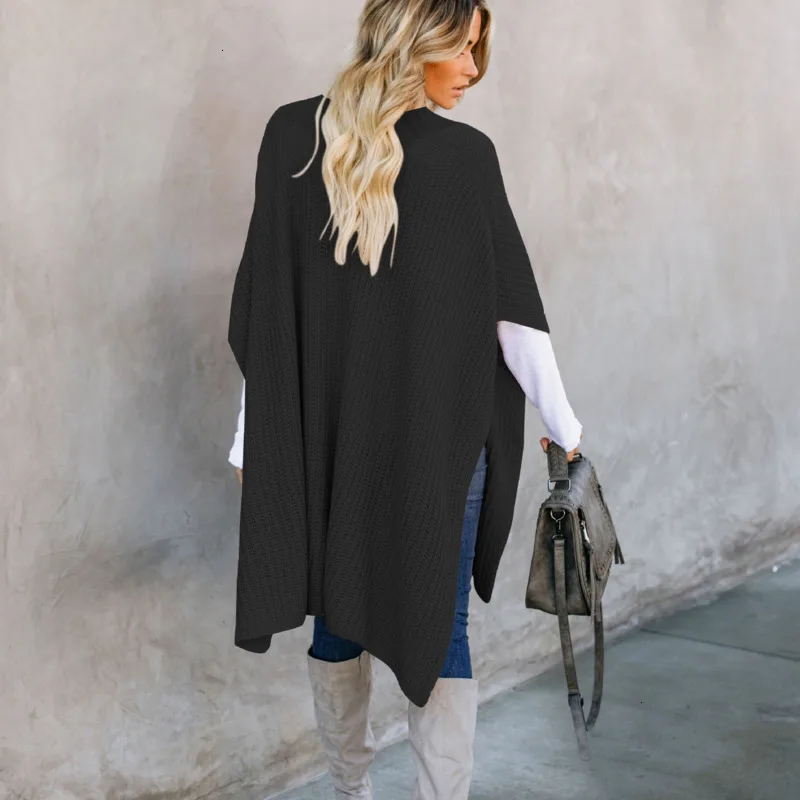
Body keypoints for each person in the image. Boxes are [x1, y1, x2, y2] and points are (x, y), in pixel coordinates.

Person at [226, 1, 583, 797]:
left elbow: (267, 316)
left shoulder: (298, 137)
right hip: (433, 441)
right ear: (417, 40)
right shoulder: (449, 156)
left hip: (343, 441)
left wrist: (255, 440)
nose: (474, 70)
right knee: (432, 625)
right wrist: (565, 426)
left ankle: (350, 791)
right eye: (464, 47)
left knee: (349, 621)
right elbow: (514, 319)